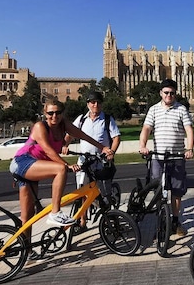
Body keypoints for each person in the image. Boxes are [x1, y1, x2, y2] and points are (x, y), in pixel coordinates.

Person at [10, 100, 114, 227]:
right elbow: (48, 151)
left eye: (58, 112)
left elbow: (83, 135)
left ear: (62, 113)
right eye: (50, 113)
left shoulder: (63, 124)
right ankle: (55, 213)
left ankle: (26, 247)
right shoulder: (40, 127)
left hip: (36, 166)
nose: (54, 116)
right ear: (45, 113)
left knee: (28, 217)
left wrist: (102, 147)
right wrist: (67, 165)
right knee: (61, 169)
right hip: (22, 161)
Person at [139, 78, 194, 236]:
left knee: (177, 192)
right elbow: (146, 129)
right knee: (159, 191)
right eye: (166, 92)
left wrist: (189, 148)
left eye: (172, 93)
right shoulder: (153, 109)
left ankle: (176, 222)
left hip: (176, 157)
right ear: (161, 93)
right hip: (158, 157)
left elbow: (189, 130)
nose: (169, 95)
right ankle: (161, 221)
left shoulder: (181, 109)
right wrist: (143, 145)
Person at [69, 91, 121, 220]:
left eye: (98, 102)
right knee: (81, 191)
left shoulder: (107, 119)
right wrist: (64, 145)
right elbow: (70, 133)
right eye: (92, 102)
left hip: (101, 161)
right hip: (84, 161)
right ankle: (82, 221)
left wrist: (111, 152)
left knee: (104, 192)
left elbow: (116, 137)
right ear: (88, 104)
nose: (95, 105)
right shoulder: (81, 119)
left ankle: (110, 218)